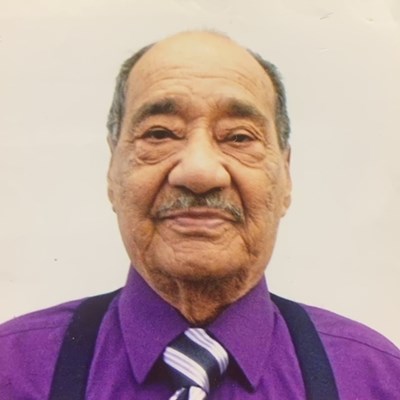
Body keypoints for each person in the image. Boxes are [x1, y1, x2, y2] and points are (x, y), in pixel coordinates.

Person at [0, 30, 399, 400]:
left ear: (286, 177)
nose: (199, 171)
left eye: (239, 137)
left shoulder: (374, 378)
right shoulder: (15, 369)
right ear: (112, 171)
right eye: (160, 133)